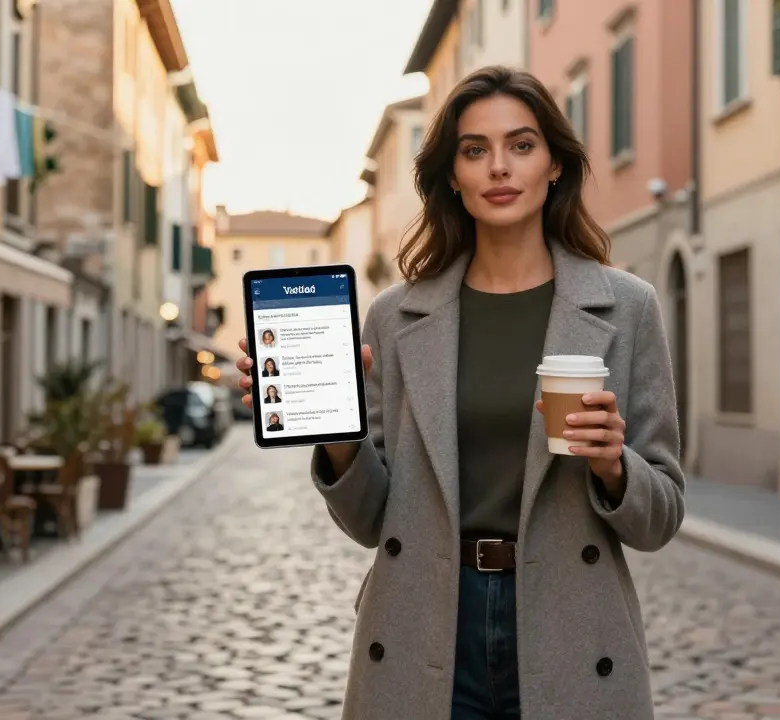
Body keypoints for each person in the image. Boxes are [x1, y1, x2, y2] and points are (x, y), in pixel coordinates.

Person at [237, 66, 684, 719]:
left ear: (555, 164)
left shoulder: (626, 309)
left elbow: (662, 516)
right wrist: (337, 436)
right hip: (424, 626)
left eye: (521, 145)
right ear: (452, 174)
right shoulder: (396, 319)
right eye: (475, 150)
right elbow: (370, 521)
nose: (499, 167)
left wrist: (615, 466)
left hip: (572, 625)